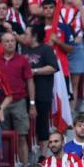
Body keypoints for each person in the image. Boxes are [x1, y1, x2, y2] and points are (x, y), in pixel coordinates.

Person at [0, 32, 35, 167]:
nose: (10, 43)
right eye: (7, 41)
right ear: (2, 44)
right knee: (3, 138)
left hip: (19, 102)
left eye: (12, 41)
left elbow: (29, 81)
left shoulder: (22, 60)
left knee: (22, 136)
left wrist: (32, 104)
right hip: (1, 104)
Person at [22, 24, 58, 156]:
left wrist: (34, 71)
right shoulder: (24, 49)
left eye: (26, 34)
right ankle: (30, 150)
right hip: (25, 94)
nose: (24, 36)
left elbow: (53, 68)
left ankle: (42, 154)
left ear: (34, 36)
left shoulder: (46, 49)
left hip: (43, 93)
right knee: (26, 126)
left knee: (42, 125)